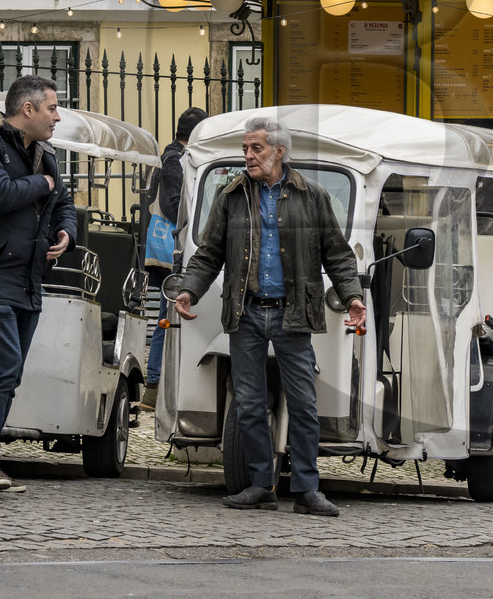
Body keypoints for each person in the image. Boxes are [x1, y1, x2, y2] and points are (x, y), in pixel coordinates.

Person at [172, 117, 364, 518]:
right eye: (245, 149)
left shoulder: (311, 196)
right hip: (245, 313)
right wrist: (189, 289)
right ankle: (261, 485)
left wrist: (353, 297)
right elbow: (208, 253)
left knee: (304, 404)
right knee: (248, 404)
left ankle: (308, 490)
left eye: (255, 148)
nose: (248, 156)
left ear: (279, 151)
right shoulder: (231, 195)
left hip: (293, 315)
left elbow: (339, 254)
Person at [0, 75, 77, 492]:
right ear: (28, 110)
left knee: (10, 372)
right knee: (4, 365)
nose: (57, 117)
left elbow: (65, 203)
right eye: (52, 108)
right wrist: (42, 183)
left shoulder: (43, 153)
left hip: (27, 279)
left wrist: (67, 232)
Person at [143, 106, 206, 409]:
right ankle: (153, 386)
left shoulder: (177, 157)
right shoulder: (173, 159)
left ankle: (158, 385)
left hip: (175, 248)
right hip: (172, 250)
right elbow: (172, 205)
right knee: (165, 319)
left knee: (168, 317)